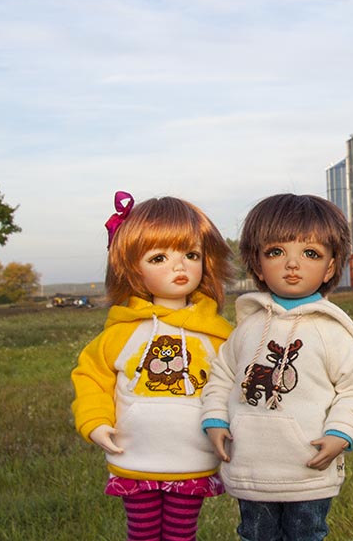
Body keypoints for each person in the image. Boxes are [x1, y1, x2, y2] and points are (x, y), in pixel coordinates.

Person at [201, 193, 353, 541]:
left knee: (306, 534)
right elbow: (222, 376)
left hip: (308, 469)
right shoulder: (247, 328)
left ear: (330, 266)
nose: (292, 264)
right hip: (252, 468)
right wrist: (215, 419)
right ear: (256, 263)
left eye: (311, 253)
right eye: (276, 252)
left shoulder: (332, 331)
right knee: (255, 534)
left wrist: (341, 433)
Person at [71, 191, 235, 541]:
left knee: (181, 533)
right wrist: (95, 421)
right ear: (130, 267)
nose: (179, 267)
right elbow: (91, 378)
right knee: (141, 532)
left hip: (192, 456)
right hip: (134, 454)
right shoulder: (121, 333)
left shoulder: (219, 336)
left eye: (191, 255)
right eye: (159, 257)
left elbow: (234, 386)